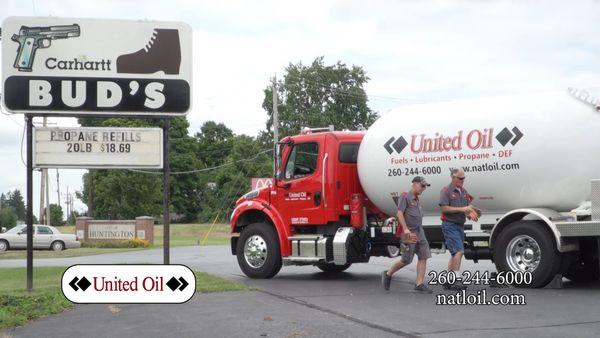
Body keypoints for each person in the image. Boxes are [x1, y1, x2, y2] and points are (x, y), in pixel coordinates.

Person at [381, 176, 433, 294]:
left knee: (423, 256)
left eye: (425, 186)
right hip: (409, 232)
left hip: (420, 232)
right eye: (422, 185)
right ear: (414, 184)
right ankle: (388, 274)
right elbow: (399, 213)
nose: (423, 188)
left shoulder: (416, 199)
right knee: (406, 260)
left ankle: (419, 284)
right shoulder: (405, 196)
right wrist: (405, 229)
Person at [439, 168, 478, 290]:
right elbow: (444, 209)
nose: (463, 180)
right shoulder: (445, 191)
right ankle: (456, 280)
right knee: (459, 252)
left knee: (455, 253)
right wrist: (464, 210)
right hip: (449, 225)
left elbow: (466, 209)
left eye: (464, 178)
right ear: (453, 177)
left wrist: (470, 215)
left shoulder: (464, 192)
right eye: (460, 178)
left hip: (459, 225)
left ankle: (448, 280)